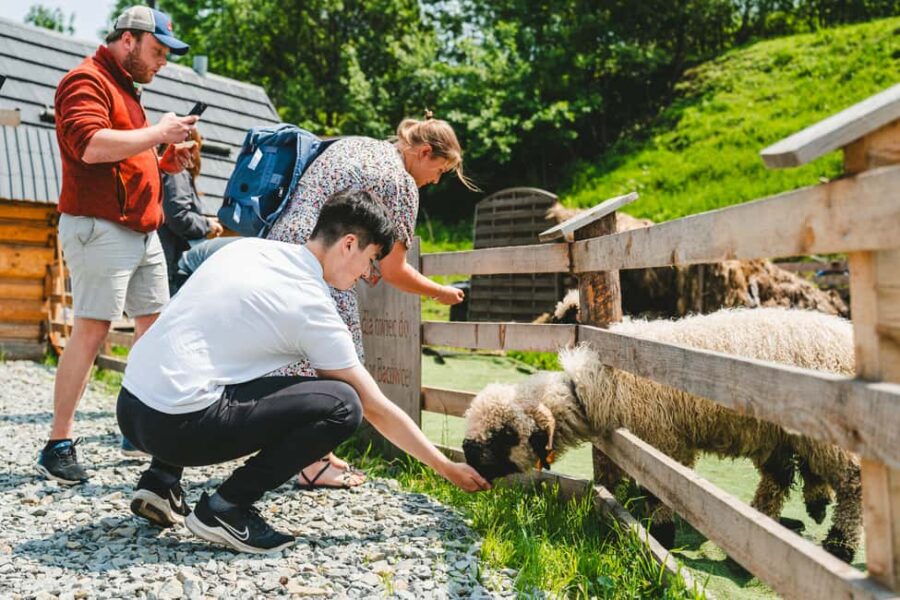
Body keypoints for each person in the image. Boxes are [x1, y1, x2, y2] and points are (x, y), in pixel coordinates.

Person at [117, 192, 490, 554]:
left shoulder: (250, 249)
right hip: (175, 428)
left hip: (131, 407)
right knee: (343, 404)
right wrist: (445, 467)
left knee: (215, 363)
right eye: (371, 259)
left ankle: (162, 480)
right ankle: (227, 507)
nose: (367, 274)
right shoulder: (312, 306)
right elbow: (374, 406)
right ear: (348, 244)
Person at [266, 113, 478, 489]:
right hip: (324, 265)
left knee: (288, 358)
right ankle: (311, 462)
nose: (435, 180)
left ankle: (303, 453)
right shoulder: (401, 184)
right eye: (439, 169)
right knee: (343, 368)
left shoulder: (357, 144)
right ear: (424, 152)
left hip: (279, 250)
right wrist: (441, 292)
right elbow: (394, 271)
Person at [38, 6, 198, 484]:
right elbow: (90, 146)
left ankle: (137, 425)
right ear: (128, 40)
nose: (163, 61)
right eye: (158, 50)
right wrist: (158, 133)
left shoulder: (127, 89)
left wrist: (166, 159)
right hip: (99, 226)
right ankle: (57, 442)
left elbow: (127, 155)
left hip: (139, 229)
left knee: (154, 326)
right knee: (93, 329)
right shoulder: (83, 80)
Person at [158, 128, 224, 294]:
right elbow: (178, 216)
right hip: (173, 264)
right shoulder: (176, 173)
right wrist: (207, 225)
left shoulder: (163, 170)